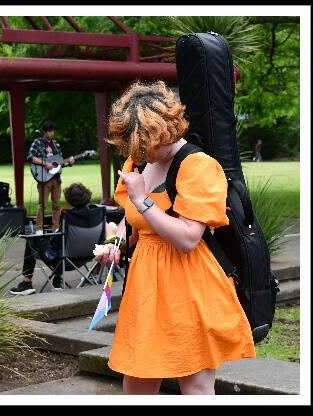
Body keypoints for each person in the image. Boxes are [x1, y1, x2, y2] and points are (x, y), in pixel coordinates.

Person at [94, 81, 255, 395]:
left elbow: (187, 238)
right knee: (137, 384)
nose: (138, 154)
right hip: (145, 290)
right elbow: (130, 220)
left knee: (194, 387)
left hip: (190, 288)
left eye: (143, 145)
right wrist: (116, 243)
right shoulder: (139, 162)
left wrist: (144, 201)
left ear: (164, 132)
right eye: (133, 148)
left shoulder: (198, 167)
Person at [10, 183, 104, 295]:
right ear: (87, 195)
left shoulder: (69, 216)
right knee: (61, 245)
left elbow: (57, 243)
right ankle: (57, 279)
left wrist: (49, 237)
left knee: (32, 242)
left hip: (66, 259)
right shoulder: (97, 214)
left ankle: (26, 283)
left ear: (69, 199)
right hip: (88, 256)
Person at [27, 120, 75, 233]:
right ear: (44, 131)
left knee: (56, 205)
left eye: (53, 131)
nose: (51, 133)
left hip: (56, 179)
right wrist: (45, 163)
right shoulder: (38, 142)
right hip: (43, 178)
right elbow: (30, 157)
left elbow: (59, 163)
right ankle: (39, 228)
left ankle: (56, 228)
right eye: (49, 131)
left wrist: (69, 163)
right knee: (42, 205)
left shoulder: (56, 144)